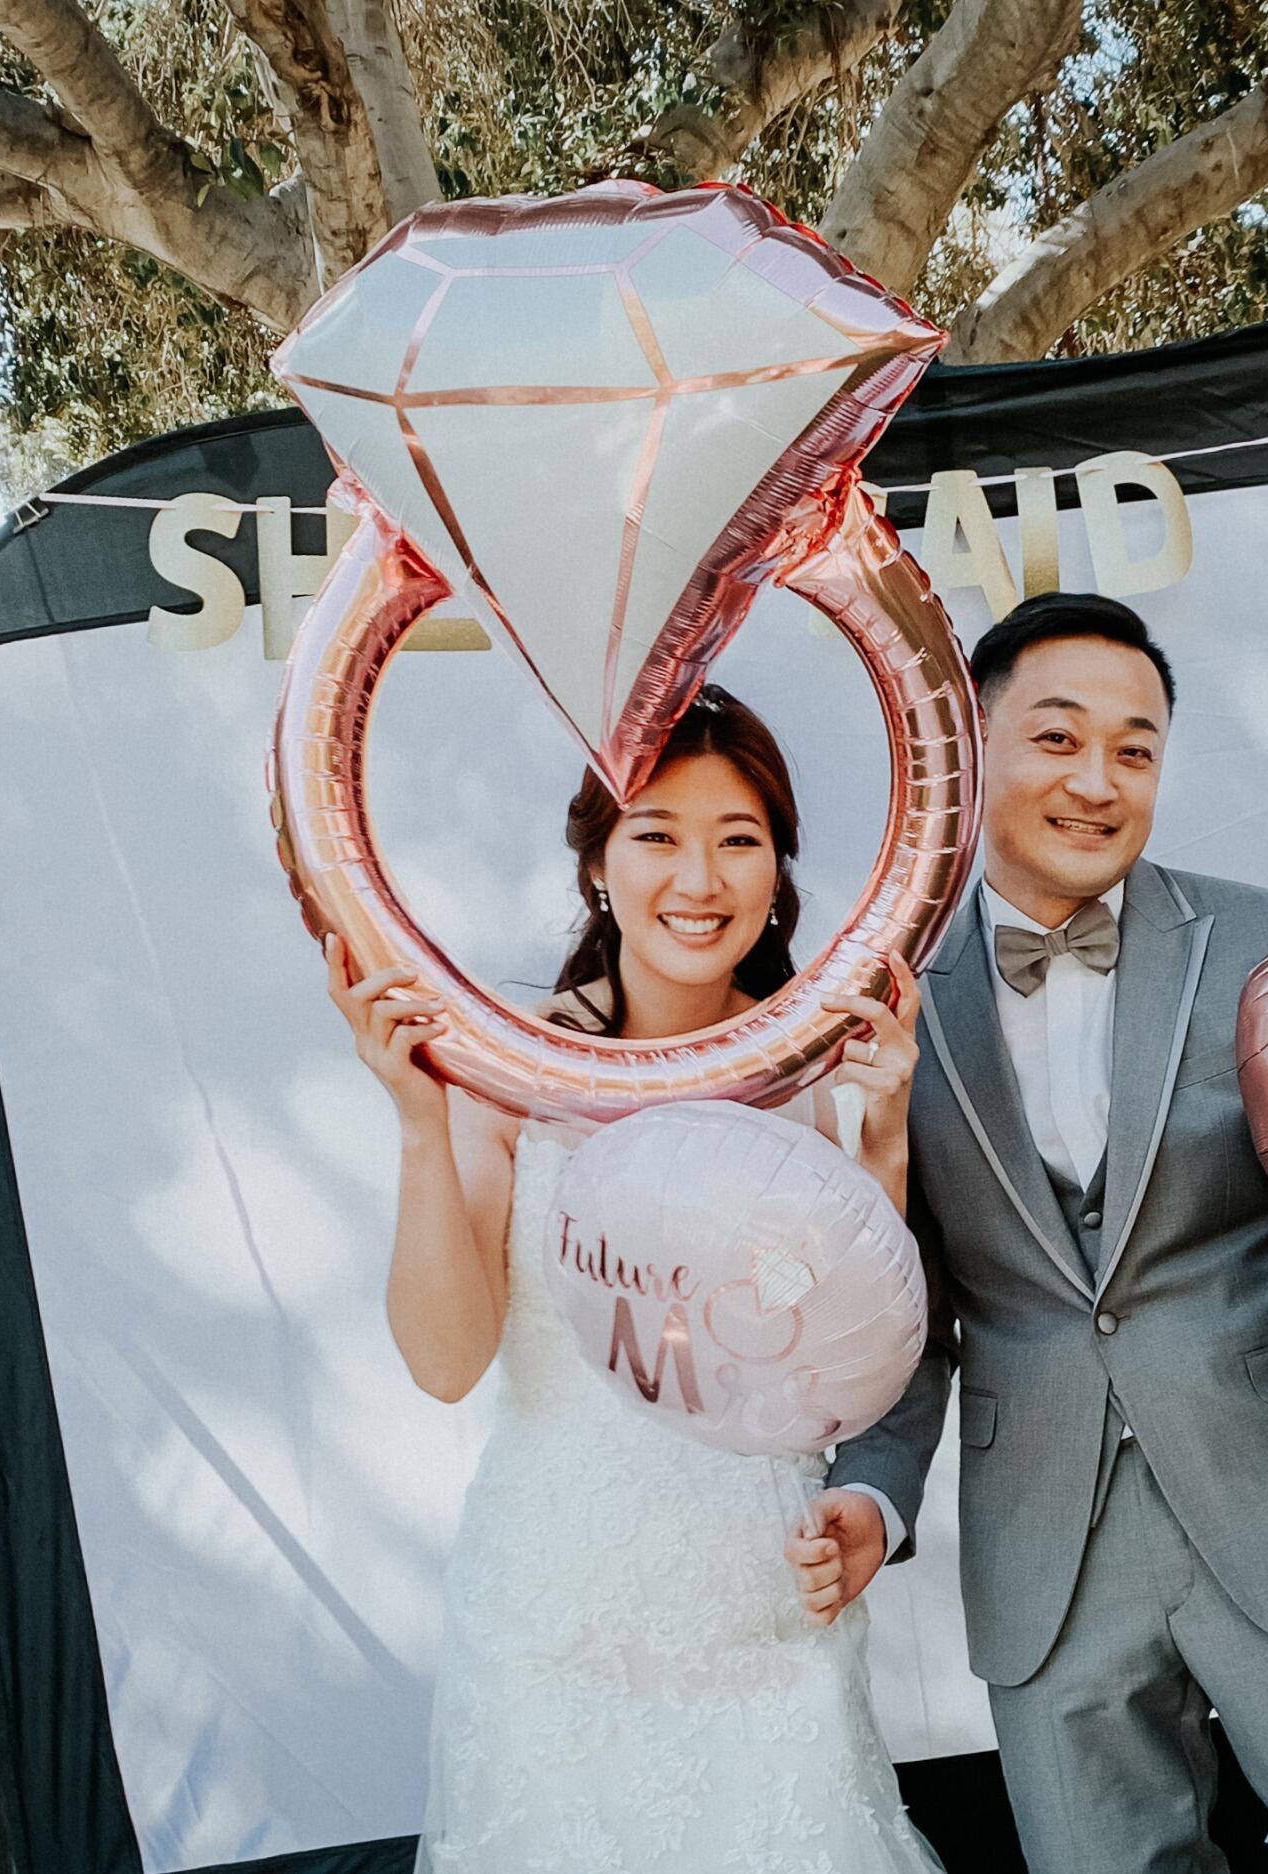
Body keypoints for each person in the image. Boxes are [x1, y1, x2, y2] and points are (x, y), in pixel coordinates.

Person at [788, 594, 1268, 1874]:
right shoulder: (877, 983)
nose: (1099, 780)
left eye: (1136, 748)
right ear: (967, 742)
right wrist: (868, 1487)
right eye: (1059, 739)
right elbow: (902, 1303)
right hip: (1045, 1569)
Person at [327, 685, 945, 1874]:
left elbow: (867, 1366)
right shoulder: (508, 1066)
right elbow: (444, 1363)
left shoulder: (825, 1072)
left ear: (777, 873)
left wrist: (888, 1126)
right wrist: (417, 1117)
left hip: (767, 1611)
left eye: (738, 839)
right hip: (556, 1623)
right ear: (600, 864)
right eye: (657, 833)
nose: (698, 877)